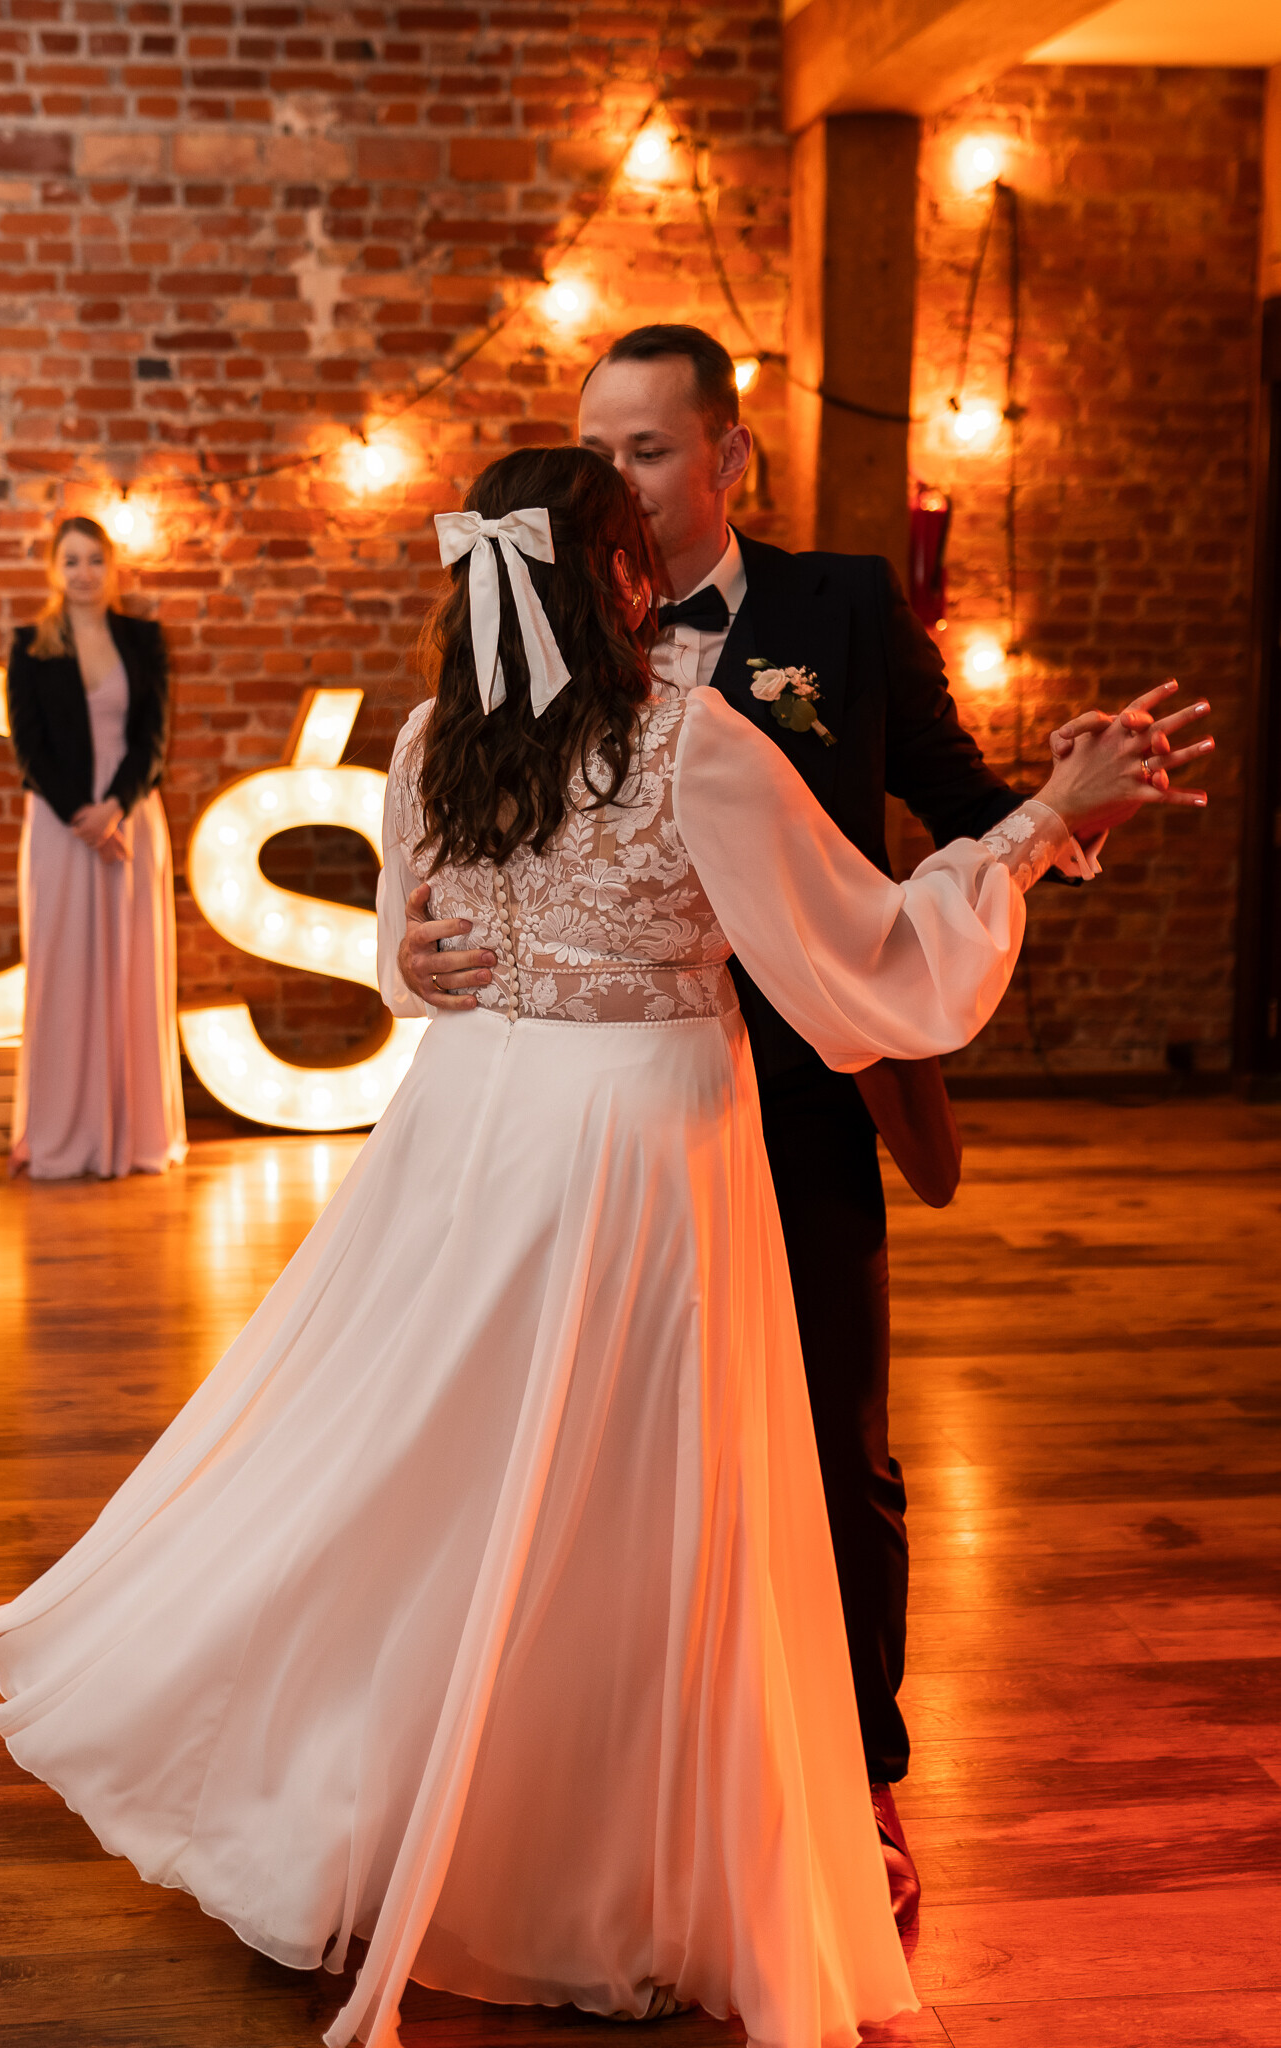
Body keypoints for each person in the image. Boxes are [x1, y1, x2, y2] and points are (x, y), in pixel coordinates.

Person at [0, 448, 1209, 2048]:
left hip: (468, 1129)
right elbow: (871, 953)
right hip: (640, 1143)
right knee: (630, 1497)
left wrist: (436, 964)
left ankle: (403, 1812)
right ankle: (606, 1872)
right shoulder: (691, 739)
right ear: (614, 580)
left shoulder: (430, 740)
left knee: (445, 1471)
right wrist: (1046, 823)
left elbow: (405, 965)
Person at [395, 327, 1213, 1921]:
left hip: (800, 1082)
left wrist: (1061, 809)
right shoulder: (507, 695)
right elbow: (449, 896)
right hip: (608, 1114)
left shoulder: (837, 605)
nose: (620, 482)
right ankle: (600, 1774)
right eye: (596, 453)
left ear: (726, 459)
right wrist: (422, 961)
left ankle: (857, 1772)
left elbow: (951, 805)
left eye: (645, 451)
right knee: (599, 1451)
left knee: (834, 1449)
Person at [5, 515, 186, 1180]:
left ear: (112, 568)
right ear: (54, 570)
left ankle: (135, 1136)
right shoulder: (30, 645)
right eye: (71, 561)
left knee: (132, 970)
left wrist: (114, 810)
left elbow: (153, 739)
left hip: (131, 818)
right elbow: (29, 748)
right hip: (60, 827)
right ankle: (62, 1133)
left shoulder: (143, 639)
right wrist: (84, 820)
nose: (84, 573)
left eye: (94, 560)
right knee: (63, 972)